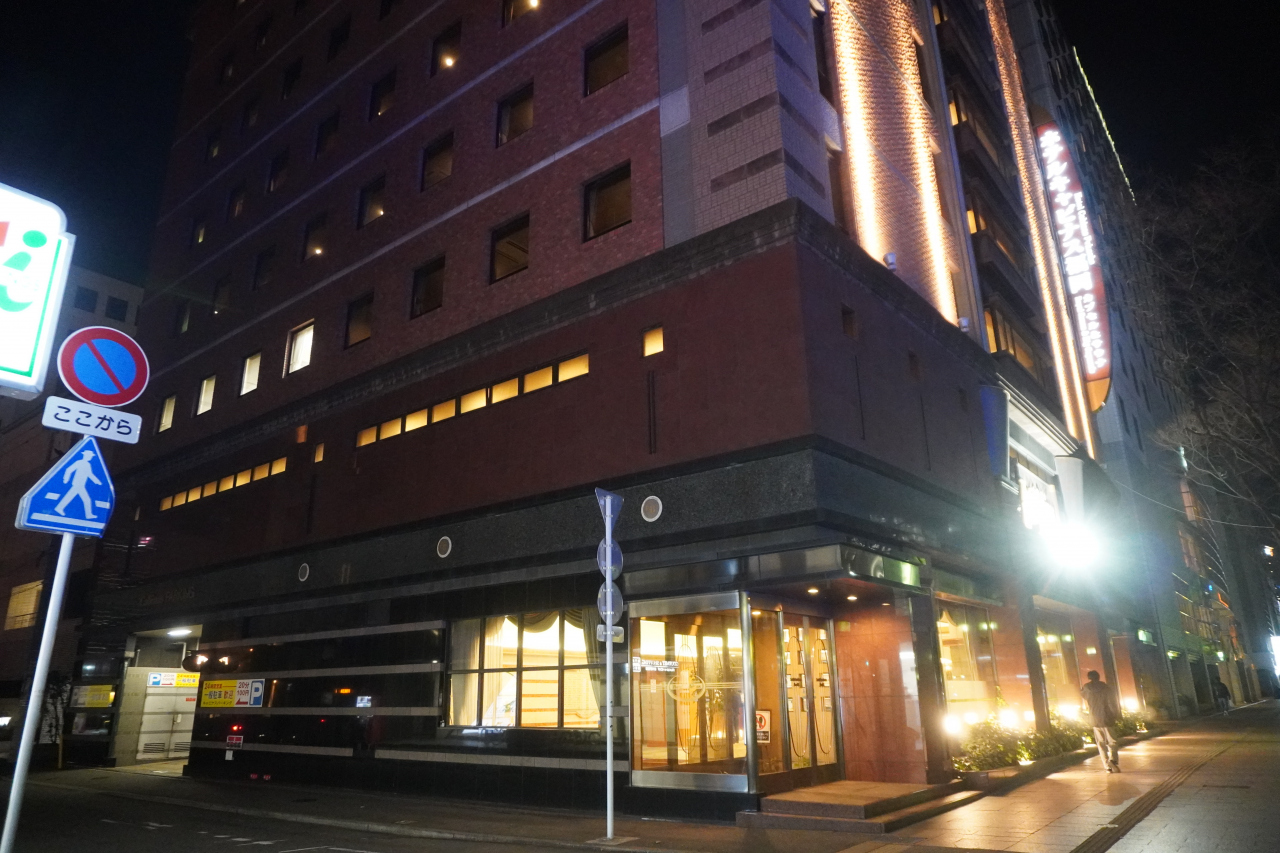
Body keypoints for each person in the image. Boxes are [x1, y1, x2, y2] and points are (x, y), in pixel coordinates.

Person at [1080, 670, 1121, 773]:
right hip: (1107, 718)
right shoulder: (1106, 688)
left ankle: (1107, 766)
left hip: (1094, 719)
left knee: (1101, 743)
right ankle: (1113, 760)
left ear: (1089, 677)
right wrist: (1116, 715)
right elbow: (1112, 703)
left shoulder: (1087, 688)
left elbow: (1082, 695)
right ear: (1098, 677)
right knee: (1112, 742)